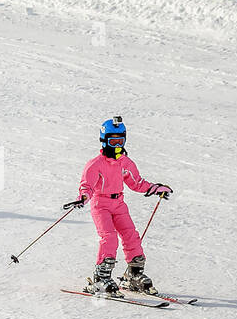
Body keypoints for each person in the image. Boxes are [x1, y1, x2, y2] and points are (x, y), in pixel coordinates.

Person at [65, 117, 172, 296]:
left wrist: (154, 188)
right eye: (112, 141)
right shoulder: (95, 164)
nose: (116, 146)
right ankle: (101, 277)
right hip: (101, 204)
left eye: (120, 141)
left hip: (119, 203)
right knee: (109, 237)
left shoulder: (124, 162)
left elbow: (136, 183)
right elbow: (87, 186)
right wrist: (83, 198)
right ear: (104, 140)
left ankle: (134, 274)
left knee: (131, 235)